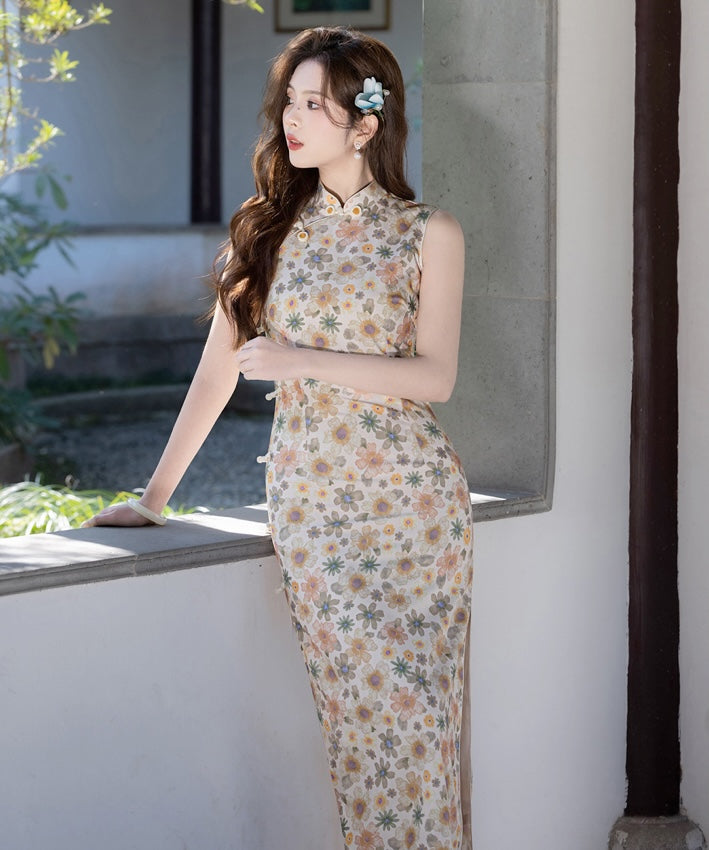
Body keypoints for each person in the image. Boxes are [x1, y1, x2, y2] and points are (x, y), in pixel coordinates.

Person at [84, 26, 473, 850]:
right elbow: (213, 378)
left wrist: (299, 360)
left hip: (416, 510)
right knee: (364, 726)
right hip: (316, 511)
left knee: (423, 724)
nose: (289, 120)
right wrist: (153, 500)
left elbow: (434, 378)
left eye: (313, 104)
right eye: (288, 102)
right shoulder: (264, 236)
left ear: (364, 125)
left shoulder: (427, 232)